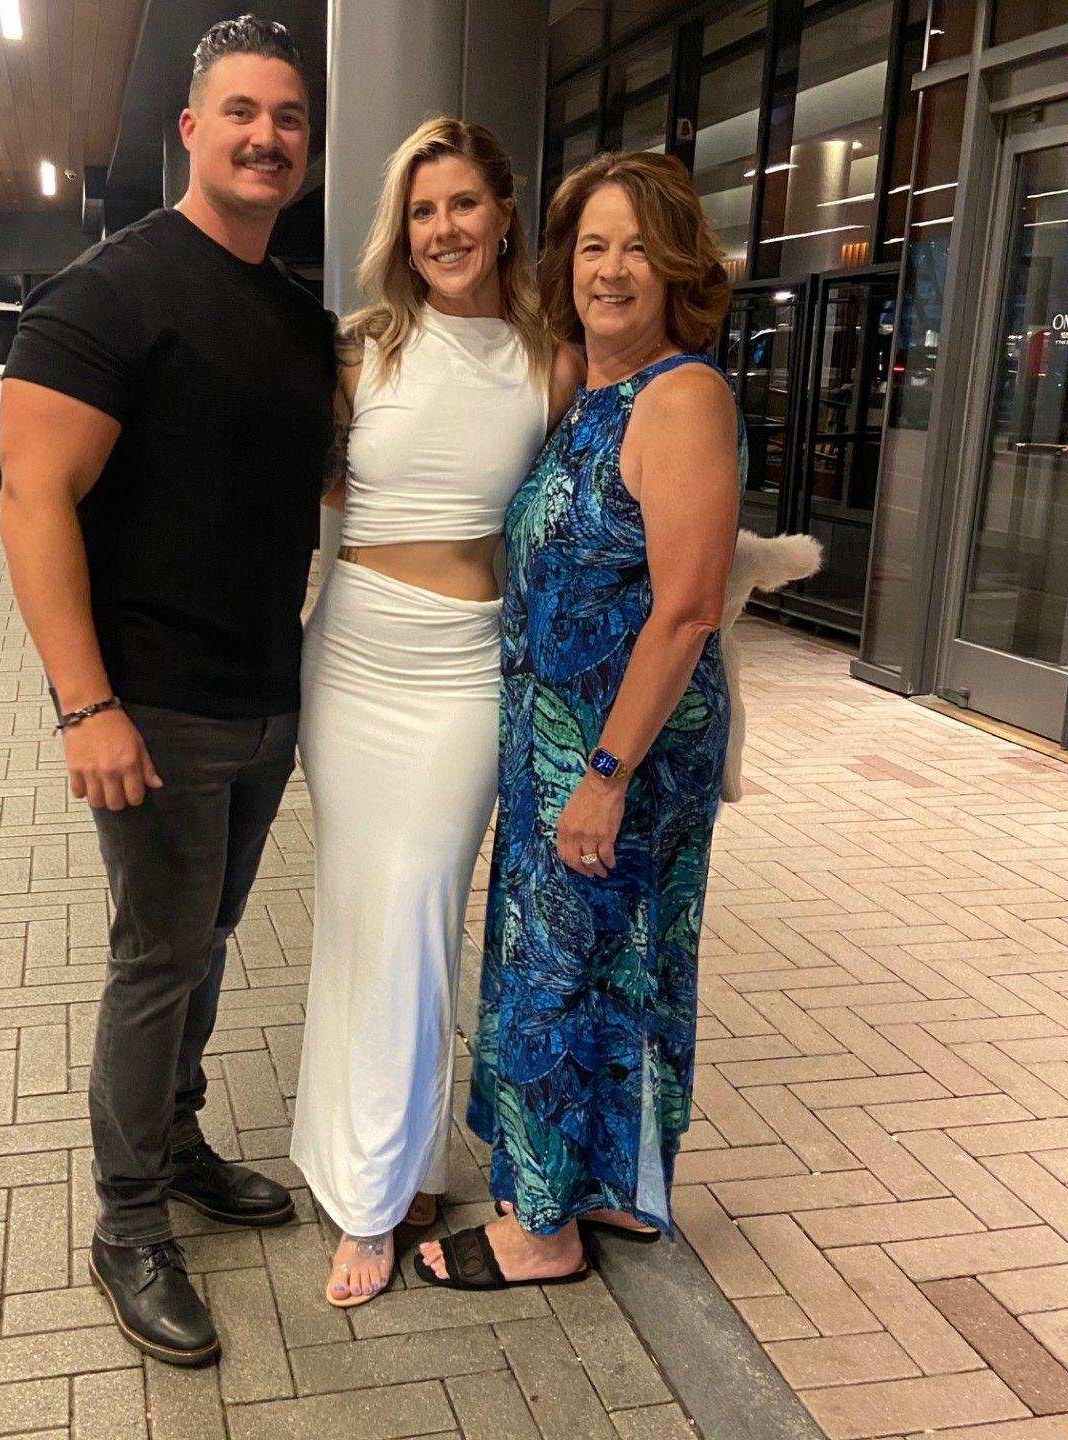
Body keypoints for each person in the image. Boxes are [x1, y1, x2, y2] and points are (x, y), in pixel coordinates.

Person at [0, 16, 335, 1365]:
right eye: (241, 112)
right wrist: (86, 706)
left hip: (267, 700)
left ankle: (179, 1141)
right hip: (153, 712)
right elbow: (32, 501)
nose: (267, 136)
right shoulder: (107, 294)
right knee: (157, 959)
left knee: (204, 943)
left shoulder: (298, 316)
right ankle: (127, 1222)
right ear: (190, 130)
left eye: (289, 118)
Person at [417, 150, 743, 1291]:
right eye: (593, 246)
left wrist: (603, 774)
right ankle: (614, 1188)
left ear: (678, 267)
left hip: (616, 751)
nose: (611, 270)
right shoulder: (592, 393)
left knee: (563, 971)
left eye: (638, 248)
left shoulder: (681, 396)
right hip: (565, 740)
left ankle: (542, 1230)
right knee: (614, 968)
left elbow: (688, 607)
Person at [291, 118, 581, 1307]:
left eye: (463, 204)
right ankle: (390, 1174)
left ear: (503, 214)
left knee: (417, 910)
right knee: (363, 918)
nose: (444, 228)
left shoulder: (551, 359)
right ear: (400, 231)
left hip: (465, 668)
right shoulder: (362, 350)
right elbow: (318, 481)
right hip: (355, 657)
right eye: (422, 211)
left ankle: (373, 1191)